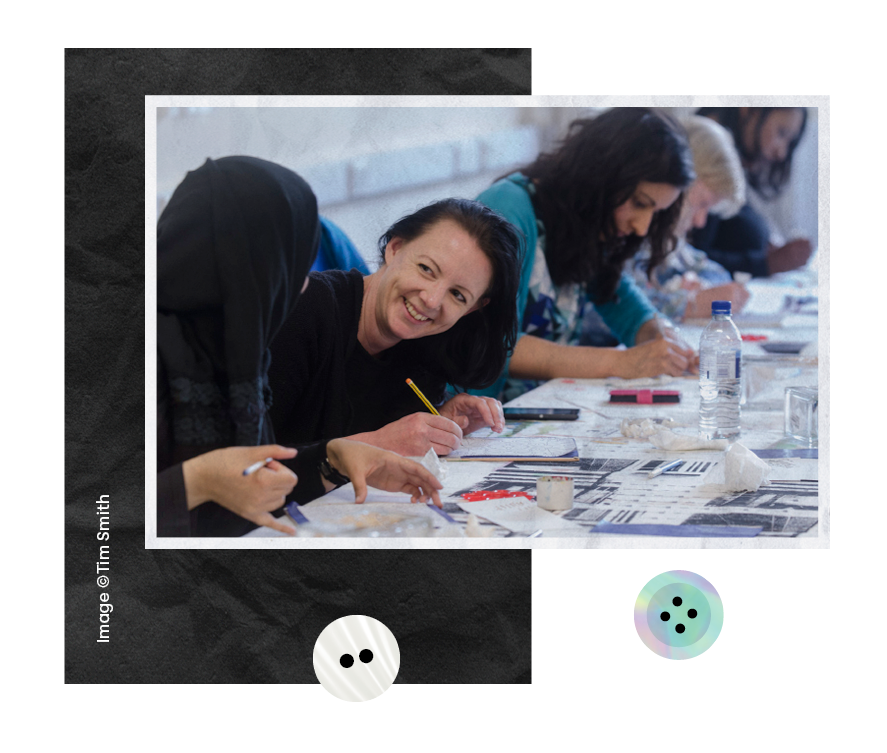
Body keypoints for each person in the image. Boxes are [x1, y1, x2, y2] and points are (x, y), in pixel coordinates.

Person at [157, 156, 443, 537]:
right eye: (292, 268)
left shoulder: (237, 351)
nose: (304, 286)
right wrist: (195, 482)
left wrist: (332, 458)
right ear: (246, 269)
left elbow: (250, 488)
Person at [470, 107, 699, 402]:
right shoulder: (508, 209)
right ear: (601, 177)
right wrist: (622, 363)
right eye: (640, 203)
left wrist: (664, 340)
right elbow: (493, 345)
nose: (642, 228)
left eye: (656, 213)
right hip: (469, 422)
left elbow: (626, 305)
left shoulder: (585, 227)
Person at [268, 198, 522, 457]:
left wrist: (438, 421)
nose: (432, 300)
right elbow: (244, 465)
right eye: (426, 269)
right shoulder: (303, 310)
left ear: (472, 309)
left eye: (457, 295)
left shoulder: (426, 349)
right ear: (395, 248)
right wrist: (378, 445)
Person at [626, 115, 751, 322]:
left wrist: (694, 283)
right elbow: (614, 306)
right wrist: (685, 304)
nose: (700, 222)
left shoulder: (672, 242)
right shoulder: (635, 229)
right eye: (701, 204)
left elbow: (717, 273)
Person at [690, 107, 811, 277]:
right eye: (781, 133)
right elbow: (694, 256)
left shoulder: (734, 162)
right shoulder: (704, 158)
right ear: (748, 110)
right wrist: (767, 264)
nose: (782, 153)